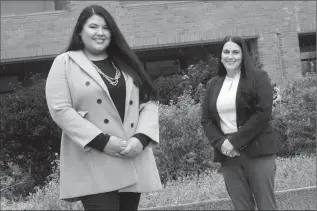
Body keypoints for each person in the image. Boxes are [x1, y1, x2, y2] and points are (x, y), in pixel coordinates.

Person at [45, 5, 162, 211]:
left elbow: (149, 100)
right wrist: (102, 141)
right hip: (93, 159)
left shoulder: (126, 62)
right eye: (93, 26)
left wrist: (141, 139)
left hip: (130, 155)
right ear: (80, 31)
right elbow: (60, 110)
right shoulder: (65, 63)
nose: (100, 33)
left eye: (106, 28)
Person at [201, 36, 280, 210]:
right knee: (241, 206)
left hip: (257, 150)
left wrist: (234, 142)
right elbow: (206, 119)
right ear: (221, 56)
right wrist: (222, 144)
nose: (231, 56)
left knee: (266, 205)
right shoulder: (212, 84)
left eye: (236, 52)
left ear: (243, 55)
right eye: (226, 52)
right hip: (228, 155)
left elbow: (263, 113)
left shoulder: (258, 77)